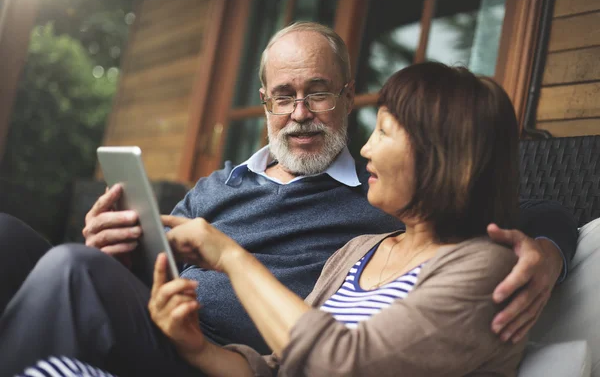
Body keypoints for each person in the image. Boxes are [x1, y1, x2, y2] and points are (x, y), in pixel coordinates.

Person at [0, 22, 577, 375]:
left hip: (227, 357)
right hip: (175, 334)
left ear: (349, 97)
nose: (300, 113)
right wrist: (119, 250)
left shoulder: (386, 196)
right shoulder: (221, 187)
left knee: (69, 270)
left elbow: (534, 209)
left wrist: (546, 252)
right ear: (265, 103)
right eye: (284, 96)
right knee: (16, 239)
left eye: (317, 92)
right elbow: (161, 267)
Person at [149, 61, 530, 376]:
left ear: (438, 155)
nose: (364, 148)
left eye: (383, 131)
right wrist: (197, 349)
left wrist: (231, 258)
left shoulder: (486, 268)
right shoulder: (360, 250)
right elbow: (280, 368)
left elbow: (342, 364)